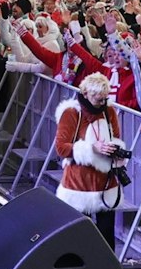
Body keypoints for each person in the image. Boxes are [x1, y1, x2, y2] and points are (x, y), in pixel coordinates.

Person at [53, 71, 127, 239]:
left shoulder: (109, 110)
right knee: (78, 238)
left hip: (105, 184)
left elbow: (116, 138)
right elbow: (61, 148)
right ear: (85, 93)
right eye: (98, 99)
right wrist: (91, 148)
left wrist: (115, 151)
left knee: (106, 237)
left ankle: (107, 265)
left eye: (104, 99)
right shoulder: (71, 113)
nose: (102, 103)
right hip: (77, 185)